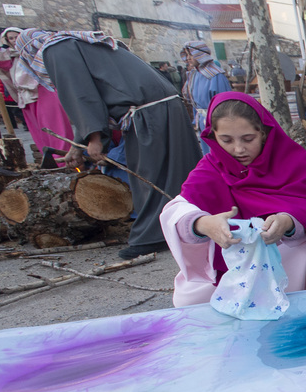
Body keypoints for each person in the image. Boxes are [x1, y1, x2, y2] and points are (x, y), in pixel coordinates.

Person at [18, 28, 202, 259]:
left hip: (147, 111)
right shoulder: (74, 44)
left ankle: (153, 237)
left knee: (148, 177)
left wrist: (94, 139)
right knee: (177, 170)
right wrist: (78, 145)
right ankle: (191, 223)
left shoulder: (55, 49)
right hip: (162, 104)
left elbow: (81, 95)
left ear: (29, 50)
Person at [160, 92, 306, 306]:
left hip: (283, 250)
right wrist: (202, 224)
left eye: (248, 139)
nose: (239, 149)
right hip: (230, 258)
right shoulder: (210, 167)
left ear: (264, 133)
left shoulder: (291, 159)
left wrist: (287, 221)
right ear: (213, 137)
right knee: (189, 299)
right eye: (226, 140)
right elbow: (179, 208)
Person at [0, 26, 75, 154]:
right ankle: (49, 158)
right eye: (10, 38)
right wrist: (4, 46)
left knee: (56, 127)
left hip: (44, 90)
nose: (14, 40)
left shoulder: (35, 50)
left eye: (16, 37)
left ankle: (65, 158)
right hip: (26, 96)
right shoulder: (10, 56)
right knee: (38, 131)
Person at [180, 41, 233, 146]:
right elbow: (195, 103)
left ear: (200, 54)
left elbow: (226, 104)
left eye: (191, 54)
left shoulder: (215, 75)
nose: (188, 58)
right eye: (186, 54)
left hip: (215, 124)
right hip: (202, 122)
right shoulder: (194, 75)